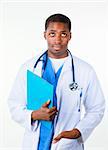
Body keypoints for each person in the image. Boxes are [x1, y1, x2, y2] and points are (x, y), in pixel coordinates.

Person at [8, 13, 105, 150]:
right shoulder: (29, 68)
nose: (58, 40)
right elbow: (14, 104)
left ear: (70, 36)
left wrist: (78, 131)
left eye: (63, 34)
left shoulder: (85, 70)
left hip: (67, 144)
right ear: (45, 35)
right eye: (52, 34)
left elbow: (97, 108)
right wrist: (34, 114)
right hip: (35, 143)